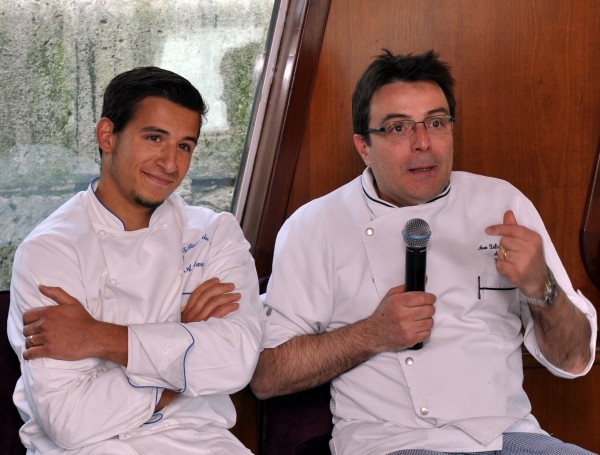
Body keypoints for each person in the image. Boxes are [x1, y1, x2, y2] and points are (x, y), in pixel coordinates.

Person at [250, 50, 597, 455]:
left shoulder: (502, 203)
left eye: (435, 122)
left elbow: (574, 361)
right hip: (391, 444)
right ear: (364, 146)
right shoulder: (315, 225)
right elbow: (268, 375)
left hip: (512, 437)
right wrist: (373, 334)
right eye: (398, 128)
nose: (423, 143)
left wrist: (543, 289)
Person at [7, 67, 263, 454]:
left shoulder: (214, 234)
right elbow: (69, 420)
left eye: (184, 146)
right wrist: (184, 347)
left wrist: (100, 337)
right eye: (154, 138)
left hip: (201, 442)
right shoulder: (50, 250)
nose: (170, 163)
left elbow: (236, 361)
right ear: (107, 135)